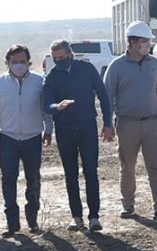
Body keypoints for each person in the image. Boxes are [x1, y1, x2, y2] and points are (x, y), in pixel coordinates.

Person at [104, 21, 157, 224]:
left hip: (153, 123)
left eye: (148, 41)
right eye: (144, 41)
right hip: (127, 125)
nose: (148, 45)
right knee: (127, 166)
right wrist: (107, 124)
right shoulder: (116, 66)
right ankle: (128, 204)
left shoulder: (154, 64)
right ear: (133, 42)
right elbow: (107, 96)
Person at [42, 39, 114, 231]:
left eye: (62, 57)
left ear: (70, 54)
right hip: (64, 131)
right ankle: (76, 216)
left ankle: (94, 217)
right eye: (55, 59)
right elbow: (46, 104)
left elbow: (103, 95)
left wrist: (108, 123)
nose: (59, 61)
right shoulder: (52, 77)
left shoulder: (86, 69)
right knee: (70, 174)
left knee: (91, 172)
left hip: (87, 128)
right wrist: (58, 106)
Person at [0, 44, 53, 237]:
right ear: (8, 63)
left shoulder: (40, 81)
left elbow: (46, 109)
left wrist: (48, 131)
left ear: (28, 62)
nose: (19, 65)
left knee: (33, 179)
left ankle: (32, 221)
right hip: (8, 139)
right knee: (8, 180)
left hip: (32, 138)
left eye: (22, 61)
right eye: (15, 62)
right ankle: (11, 224)